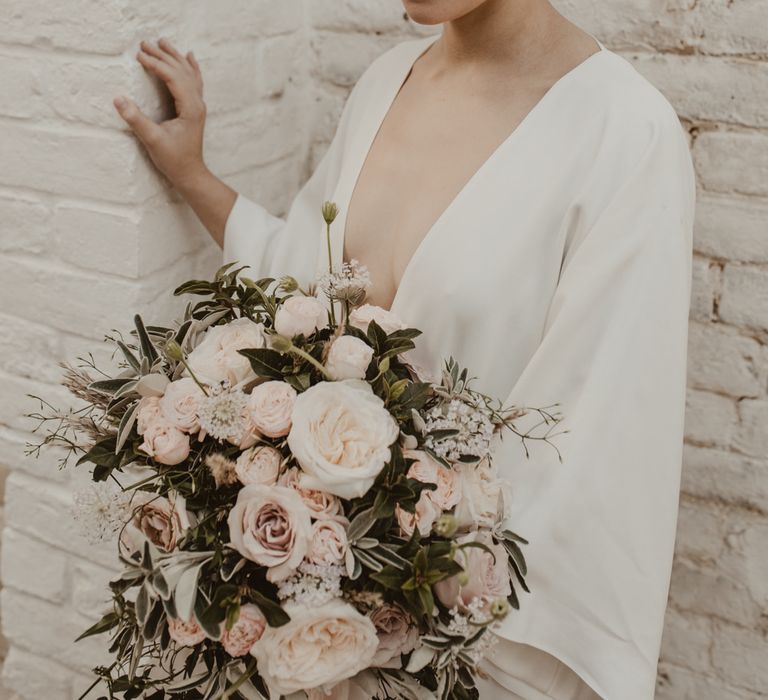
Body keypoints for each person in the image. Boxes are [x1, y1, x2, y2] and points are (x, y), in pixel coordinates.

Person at [113, 1, 696, 698]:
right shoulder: (389, 78)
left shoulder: (625, 133)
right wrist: (193, 174)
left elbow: (592, 453)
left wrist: (422, 610)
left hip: (471, 648)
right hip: (318, 636)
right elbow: (303, 298)